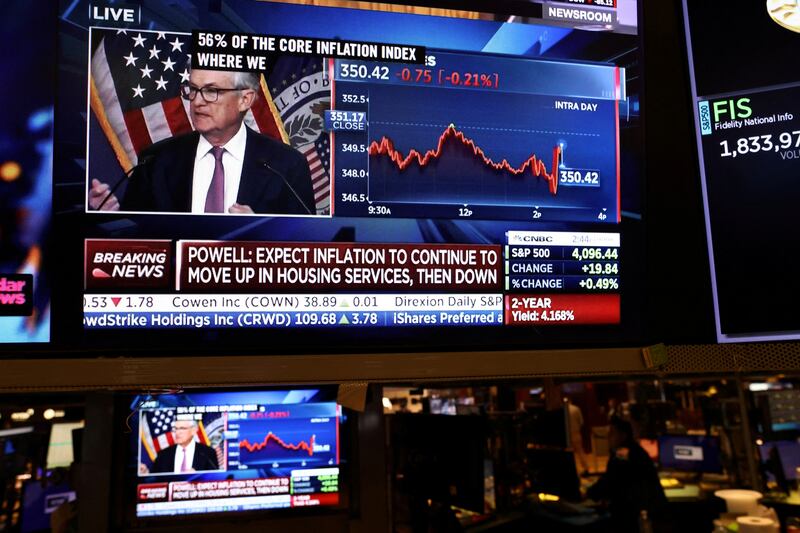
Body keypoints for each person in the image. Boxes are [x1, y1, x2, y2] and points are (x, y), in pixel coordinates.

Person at [89, 69, 315, 215]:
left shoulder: (286, 164)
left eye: (211, 91)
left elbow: (307, 248)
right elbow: (136, 240)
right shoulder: (155, 160)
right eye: (193, 90)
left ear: (245, 100)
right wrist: (110, 215)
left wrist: (259, 233)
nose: (197, 102)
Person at [586, 416, 667, 533]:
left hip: (634, 516)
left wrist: (588, 493)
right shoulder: (635, 450)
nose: (608, 437)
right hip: (646, 512)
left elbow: (610, 480)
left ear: (623, 436)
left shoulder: (622, 454)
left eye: (612, 433)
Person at [148, 420, 219, 474]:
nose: (177, 432)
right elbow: (154, 480)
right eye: (175, 428)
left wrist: (198, 478)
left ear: (193, 430)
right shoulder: (163, 455)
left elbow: (215, 481)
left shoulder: (208, 453)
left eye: (182, 428)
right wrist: (145, 474)